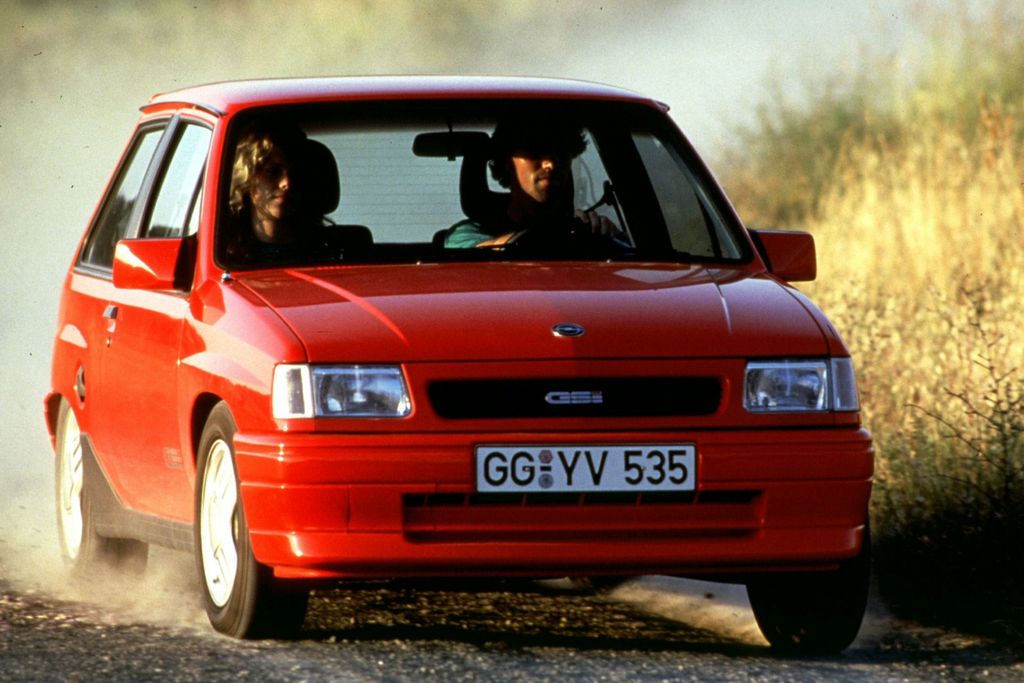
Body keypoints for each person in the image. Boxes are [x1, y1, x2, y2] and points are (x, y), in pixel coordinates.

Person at [444, 117, 618, 249]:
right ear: (506, 161)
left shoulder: (585, 231)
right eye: (535, 151)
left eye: (562, 153)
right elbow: (479, 255)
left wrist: (601, 234)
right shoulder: (465, 235)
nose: (551, 164)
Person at [223, 122, 330, 264]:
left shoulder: (329, 252)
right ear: (247, 177)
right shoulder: (224, 255)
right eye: (272, 171)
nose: (286, 183)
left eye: (296, 173)